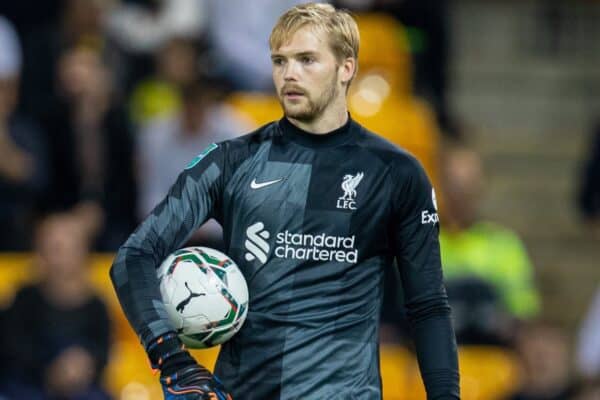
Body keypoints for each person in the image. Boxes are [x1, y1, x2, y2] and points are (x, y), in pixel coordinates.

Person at [110, 3, 459, 400]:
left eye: (307, 60)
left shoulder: (398, 174)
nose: (289, 74)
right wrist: (169, 356)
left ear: (346, 68)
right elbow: (134, 256)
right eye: (280, 61)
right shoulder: (229, 162)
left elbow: (428, 306)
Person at [0, 213, 111, 400]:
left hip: (82, 389)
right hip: (28, 386)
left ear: (83, 252)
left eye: (66, 248)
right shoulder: (24, 300)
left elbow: (102, 352)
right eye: (52, 248)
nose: (59, 258)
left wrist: (84, 364)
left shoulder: (96, 306)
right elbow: (12, 349)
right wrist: (50, 370)